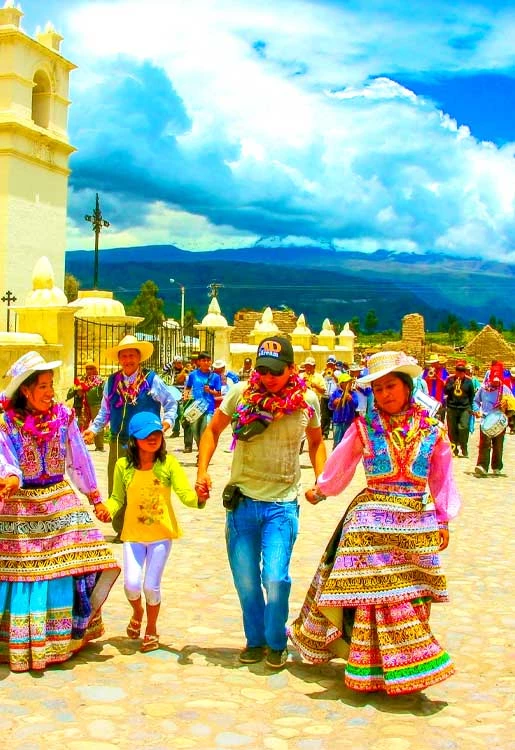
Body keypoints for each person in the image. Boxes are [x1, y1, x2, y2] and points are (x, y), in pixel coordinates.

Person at [289, 350, 460, 695]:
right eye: (378, 389)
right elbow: (342, 464)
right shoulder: (364, 428)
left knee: (413, 594)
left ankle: (406, 666)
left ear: (407, 386)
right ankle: (372, 668)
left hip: (415, 521)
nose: (385, 394)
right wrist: (321, 489)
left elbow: (442, 478)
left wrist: (443, 518)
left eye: (391, 386)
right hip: (370, 522)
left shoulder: (432, 431)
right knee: (371, 597)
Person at [196, 336, 326, 669]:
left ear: (292, 369)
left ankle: (275, 640)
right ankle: (255, 641)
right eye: (263, 370)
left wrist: (321, 480)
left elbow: (315, 441)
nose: (269, 378)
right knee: (246, 581)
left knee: (276, 577)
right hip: (242, 504)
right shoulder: (240, 395)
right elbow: (212, 430)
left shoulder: (307, 401)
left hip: (282, 505)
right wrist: (202, 471)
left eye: (276, 372)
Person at [0, 351, 120, 672]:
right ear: (25, 390)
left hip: (58, 499)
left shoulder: (63, 418)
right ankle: (24, 642)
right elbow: (5, 456)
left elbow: (77, 459)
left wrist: (94, 498)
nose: (49, 392)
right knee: (24, 572)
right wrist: (10, 475)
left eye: (51, 385)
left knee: (75, 562)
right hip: (21, 505)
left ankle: (61, 638)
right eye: (43, 386)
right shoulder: (7, 422)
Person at [98, 411, 204, 653]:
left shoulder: (168, 464)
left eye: (157, 433)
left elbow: (186, 496)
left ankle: (152, 628)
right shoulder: (122, 465)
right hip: (133, 536)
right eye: (147, 434)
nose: (153, 438)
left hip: (160, 535)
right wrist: (107, 510)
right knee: (131, 585)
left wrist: (200, 497)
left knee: (150, 586)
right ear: (134, 439)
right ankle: (137, 612)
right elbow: (116, 498)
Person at [83, 334, 177, 496]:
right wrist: (93, 429)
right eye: (124, 356)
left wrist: (167, 421)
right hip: (118, 443)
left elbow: (171, 402)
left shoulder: (151, 380)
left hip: (146, 444)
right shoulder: (112, 381)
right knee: (118, 491)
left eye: (132, 355)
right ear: (119, 359)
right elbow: (105, 411)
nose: (128, 360)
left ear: (139, 357)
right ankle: (118, 521)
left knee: (145, 492)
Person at [473, 362, 513, 476]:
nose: (495, 382)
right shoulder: (483, 389)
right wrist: (476, 410)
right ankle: (482, 466)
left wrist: (507, 407)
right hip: (485, 420)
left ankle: (496, 466)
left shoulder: (505, 389)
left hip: (499, 421)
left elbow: (512, 405)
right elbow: (475, 401)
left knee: (498, 445)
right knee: (484, 444)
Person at [182, 351, 222, 454]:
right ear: (199, 361)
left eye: (208, 360)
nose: (206, 362)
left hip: (208, 408)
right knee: (195, 432)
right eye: (203, 360)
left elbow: (218, 393)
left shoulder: (215, 377)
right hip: (196, 408)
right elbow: (188, 387)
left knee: (204, 431)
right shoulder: (193, 375)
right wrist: (185, 396)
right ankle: (201, 448)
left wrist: (210, 391)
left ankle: (202, 454)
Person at [68, 360, 105, 450]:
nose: (89, 371)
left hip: (96, 405)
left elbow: (105, 393)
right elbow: (70, 392)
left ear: (96, 369)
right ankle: (80, 444)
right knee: (81, 423)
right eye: (87, 368)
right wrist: (77, 390)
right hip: (83, 405)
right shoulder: (82, 380)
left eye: (91, 368)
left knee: (97, 424)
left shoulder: (100, 381)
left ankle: (99, 446)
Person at [444, 359, 475, 458]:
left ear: (464, 372)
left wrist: (471, 408)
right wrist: (453, 385)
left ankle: (464, 446)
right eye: (458, 372)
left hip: (464, 408)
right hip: (452, 407)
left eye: (462, 372)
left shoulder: (469, 382)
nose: (459, 374)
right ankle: (454, 449)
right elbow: (445, 391)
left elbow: (471, 396)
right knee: (452, 429)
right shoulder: (450, 379)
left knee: (463, 427)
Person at [328, 372, 358, 448]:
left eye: (350, 382)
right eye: (347, 382)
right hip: (337, 422)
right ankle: (336, 458)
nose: (350, 383)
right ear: (341, 383)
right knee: (337, 442)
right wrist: (334, 403)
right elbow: (330, 406)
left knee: (348, 443)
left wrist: (351, 400)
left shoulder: (353, 393)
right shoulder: (335, 393)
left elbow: (355, 405)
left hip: (348, 422)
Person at [321, 356, 338, 439]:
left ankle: (336, 433)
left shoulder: (338, 373)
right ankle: (325, 433)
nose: (330, 366)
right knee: (325, 416)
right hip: (325, 396)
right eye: (329, 365)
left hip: (334, 397)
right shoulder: (323, 373)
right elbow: (319, 379)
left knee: (335, 415)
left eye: (332, 365)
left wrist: (333, 374)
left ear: (334, 365)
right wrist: (325, 372)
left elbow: (340, 382)